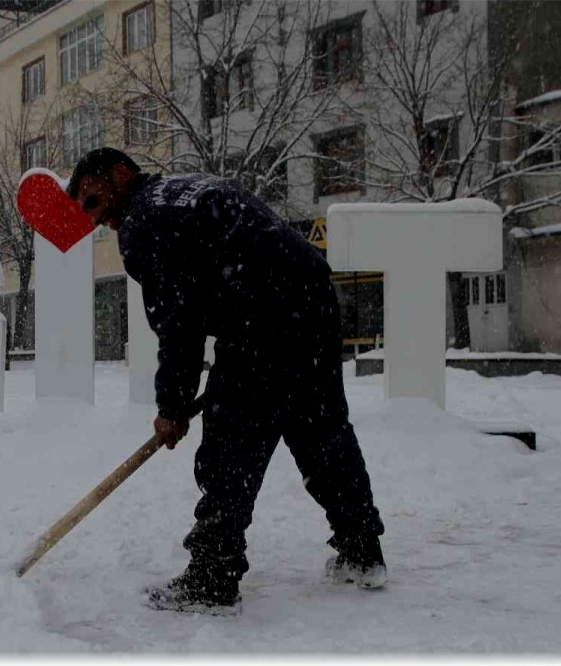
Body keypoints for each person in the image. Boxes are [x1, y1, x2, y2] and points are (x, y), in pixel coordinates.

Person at [67, 147, 386, 615]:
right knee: (320, 430)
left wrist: (172, 407)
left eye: (94, 202)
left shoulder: (144, 221)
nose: (95, 218)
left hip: (260, 315)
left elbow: (179, 324)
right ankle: (362, 550)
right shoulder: (182, 189)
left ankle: (213, 577)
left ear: (121, 174)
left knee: (232, 442)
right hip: (311, 296)